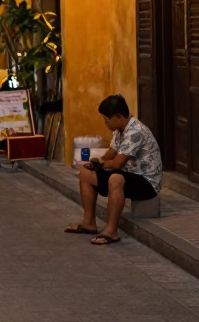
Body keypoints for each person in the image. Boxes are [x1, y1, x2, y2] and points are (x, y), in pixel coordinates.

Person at [66, 94, 162, 245]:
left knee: (115, 178)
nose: (106, 123)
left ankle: (111, 231)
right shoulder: (120, 130)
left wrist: (102, 164)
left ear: (119, 116)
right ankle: (89, 223)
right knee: (85, 173)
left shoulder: (135, 132)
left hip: (146, 183)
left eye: (107, 119)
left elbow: (117, 163)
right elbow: (111, 154)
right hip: (128, 175)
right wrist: (96, 163)